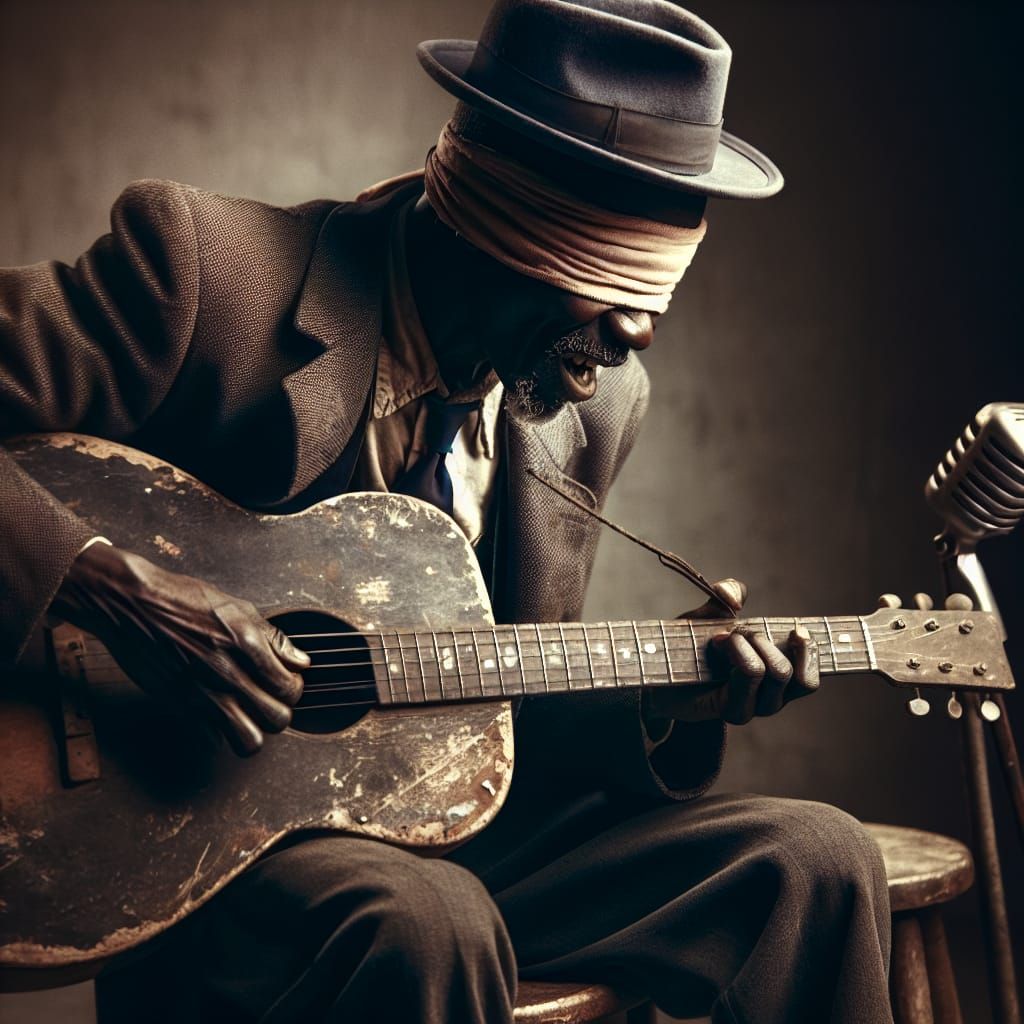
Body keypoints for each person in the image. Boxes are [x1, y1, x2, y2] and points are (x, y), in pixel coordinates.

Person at [0, 1, 894, 1021]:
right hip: (210, 845)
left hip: (440, 841)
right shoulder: (207, 275)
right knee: (430, 918)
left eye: (660, 278)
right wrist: (120, 594)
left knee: (814, 860)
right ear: (500, 217)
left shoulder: (587, 404)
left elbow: (483, 705)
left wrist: (661, 699)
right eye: (610, 270)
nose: (639, 331)